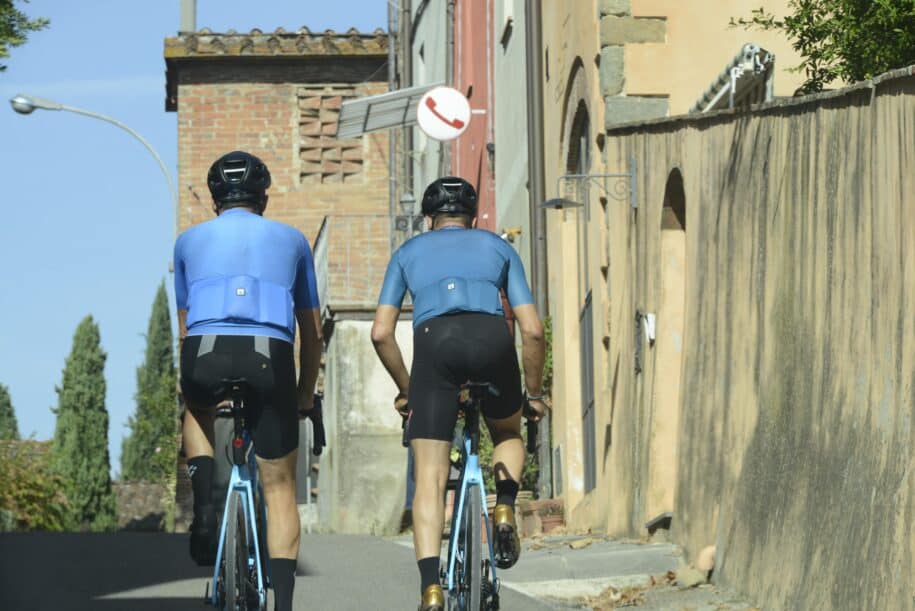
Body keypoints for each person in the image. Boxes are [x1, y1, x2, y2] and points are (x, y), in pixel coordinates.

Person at [371, 177, 548, 611]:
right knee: (507, 432)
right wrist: (534, 393)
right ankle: (504, 506)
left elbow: (380, 333)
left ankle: (431, 589)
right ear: (472, 215)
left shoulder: (407, 252)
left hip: (434, 345)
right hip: (491, 338)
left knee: (430, 477)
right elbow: (532, 330)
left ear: (430, 218)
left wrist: (407, 389)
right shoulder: (499, 247)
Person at [174, 150, 322, 611]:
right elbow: (311, 333)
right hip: (269, 355)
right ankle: (284, 604)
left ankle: (202, 510)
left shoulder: (187, 241)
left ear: (215, 196)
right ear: (263, 194)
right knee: (279, 488)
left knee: (196, 409)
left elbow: (185, 325)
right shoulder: (294, 241)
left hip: (205, 349)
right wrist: (302, 396)